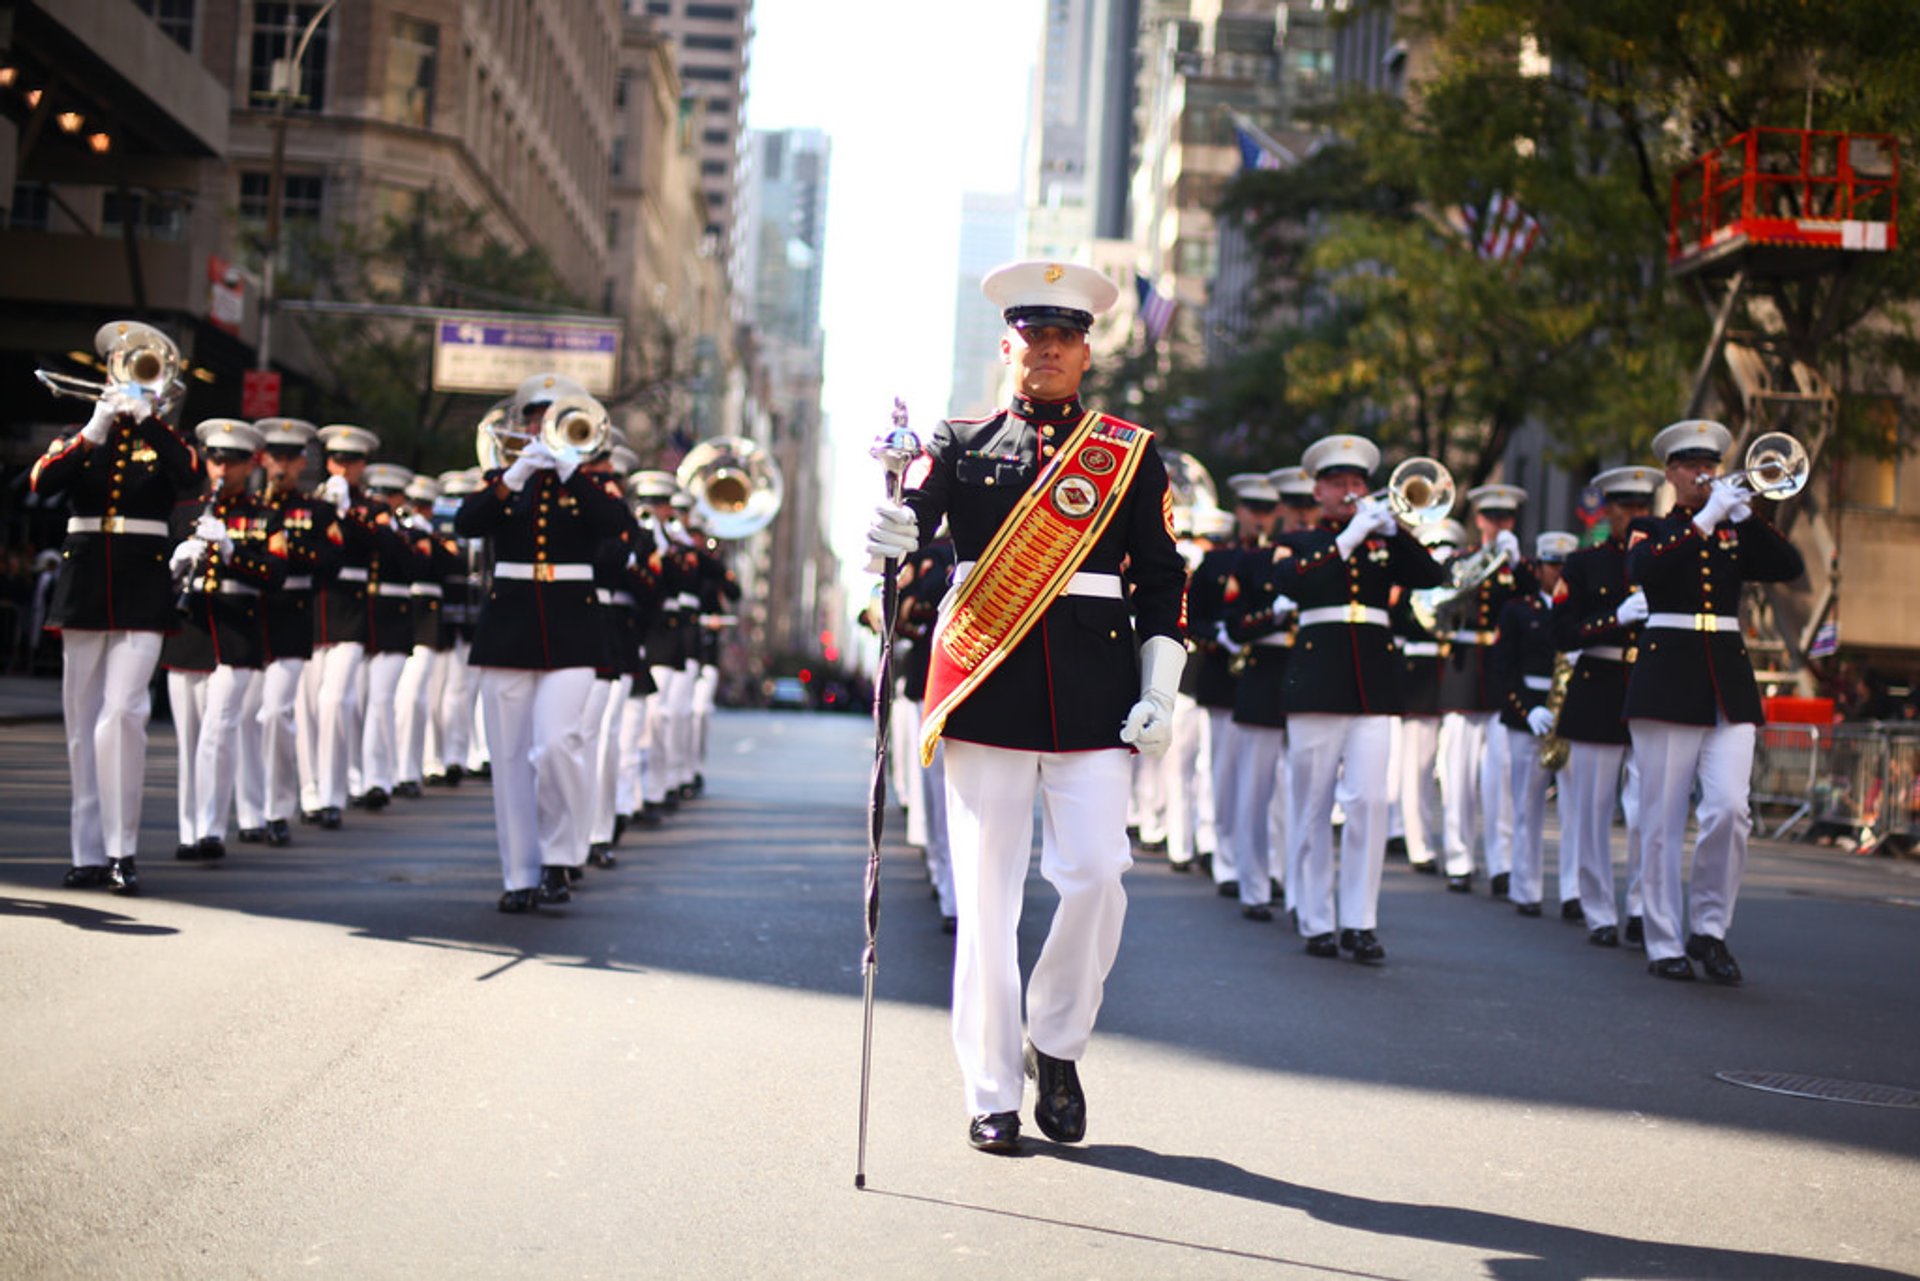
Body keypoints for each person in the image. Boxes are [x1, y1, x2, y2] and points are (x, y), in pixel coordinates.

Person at [864, 260, 1187, 1154]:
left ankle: (1058, 1038)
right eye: (1032, 336)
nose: (1046, 350)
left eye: (1063, 338)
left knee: (1098, 875)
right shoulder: (960, 440)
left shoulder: (1126, 450)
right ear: (1006, 345)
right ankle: (992, 1089)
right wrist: (889, 529)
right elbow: (915, 518)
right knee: (988, 902)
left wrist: (1160, 687)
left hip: (1096, 697)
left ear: (1086, 352)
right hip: (985, 690)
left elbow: (1163, 582)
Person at [1626, 419, 1805, 983]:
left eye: (1710, 463)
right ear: (1671, 473)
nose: (1703, 472)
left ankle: (1709, 929)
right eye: (1690, 464)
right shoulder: (1649, 528)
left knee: (1730, 808)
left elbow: (1788, 567)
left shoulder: (1733, 530)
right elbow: (1646, 570)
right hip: (1669, 679)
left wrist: (1746, 515)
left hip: (1727, 679)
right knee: (1660, 818)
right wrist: (1704, 520)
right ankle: (1662, 938)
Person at [31, 324, 199, 895]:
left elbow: (190, 479)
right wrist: (94, 429)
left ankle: (122, 850)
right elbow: (43, 486)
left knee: (124, 712)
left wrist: (148, 417)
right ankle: (88, 852)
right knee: (81, 722)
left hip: (142, 586)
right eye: (124, 366)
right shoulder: (82, 437)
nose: (130, 375)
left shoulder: (165, 439)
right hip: (84, 583)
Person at [456, 375, 633, 912]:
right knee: (510, 759)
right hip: (508, 626)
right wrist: (511, 477)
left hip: (572, 628)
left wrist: (569, 470)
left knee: (558, 744)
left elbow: (616, 526)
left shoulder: (588, 481)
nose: (541, 424)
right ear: (523, 422)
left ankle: (561, 856)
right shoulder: (503, 479)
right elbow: (467, 523)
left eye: (551, 415)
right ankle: (520, 875)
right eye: (533, 416)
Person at [1271, 435, 1448, 963]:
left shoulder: (1381, 540)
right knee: (1313, 806)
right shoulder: (1300, 541)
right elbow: (1291, 583)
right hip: (1318, 681)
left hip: (1372, 682)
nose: (1351, 492)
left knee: (1370, 802)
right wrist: (1348, 538)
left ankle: (1360, 920)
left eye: (1357, 483)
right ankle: (1316, 918)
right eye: (1339, 483)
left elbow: (1431, 578)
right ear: (1318, 490)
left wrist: (1397, 532)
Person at [161, 420, 286, 863]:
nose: (221, 469)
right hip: (190, 630)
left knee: (219, 730)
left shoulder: (265, 515)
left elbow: (276, 574)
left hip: (237, 634)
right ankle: (189, 829)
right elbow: (158, 577)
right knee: (190, 737)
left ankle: (212, 827)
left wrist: (234, 552)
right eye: (215, 459)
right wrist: (178, 561)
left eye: (231, 462)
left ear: (248, 465)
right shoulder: (183, 511)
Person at [1553, 466, 1660, 947]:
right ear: (1609, 511)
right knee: (1594, 810)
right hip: (1598, 684)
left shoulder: (1662, 558)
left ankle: (1640, 906)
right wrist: (1612, 618)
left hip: (1650, 684)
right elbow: (1563, 632)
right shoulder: (1583, 564)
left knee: (1646, 811)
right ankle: (1598, 908)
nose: (1635, 516)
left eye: (1643, 508)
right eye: (1626, 508)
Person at [1437, 483, 1530, 894]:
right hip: (1462, 671)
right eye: (1491, 517)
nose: (1498, 524)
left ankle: (1501, 862)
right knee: (1457, 773)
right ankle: (1458, 857)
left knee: (1501, 774)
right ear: (1478, 520)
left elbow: (1531, 600)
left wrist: (1514, 563)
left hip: (1497, 671)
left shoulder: (1518, 566)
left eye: (1505, 518)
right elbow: (1446, 597)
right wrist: (1486, 560)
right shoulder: (1461, 559)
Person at [239, 417, 323, 848]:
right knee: (247, 717)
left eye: (290, 458)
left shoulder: (316, 509)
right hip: (252, 614)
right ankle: (250, 810)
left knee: (275, 713)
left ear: (302, 462)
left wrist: (288, 553)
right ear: (263, 458)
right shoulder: (248, 505)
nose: (281, 465)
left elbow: (327, 563)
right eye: (275, 457)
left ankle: (278, 807)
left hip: (291, 614)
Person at [1489, 531, 1576, 916]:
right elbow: (1503, 670)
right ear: (1538, 568)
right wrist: (1527, 710)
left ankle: (1574, 892)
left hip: (1573, 716)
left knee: (1577, 810)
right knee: (1527, 806)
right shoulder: (1518, 610)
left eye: (1564, 566)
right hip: (1531, 716)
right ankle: (1526, 888)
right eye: (1551, 565)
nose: (1557, 573)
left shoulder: (1579, 611)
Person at [1393, 518, 1466, 876]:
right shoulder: (1411, 583)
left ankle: (1456, 849)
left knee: (1453, 771)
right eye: (1434, 547)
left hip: (1454, 675)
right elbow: (1399, 619)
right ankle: (1418, 844)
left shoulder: (1461, 579)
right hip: (1419, 677)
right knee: (1416, 768)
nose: (1442, 554)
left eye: (1446, 548)